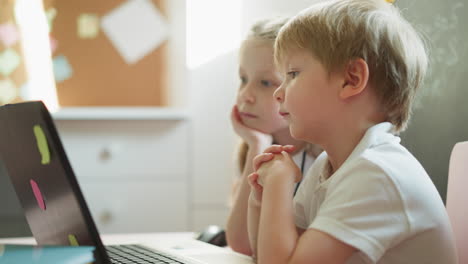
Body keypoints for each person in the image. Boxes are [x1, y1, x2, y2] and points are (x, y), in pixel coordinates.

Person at [246, 0, 458, 263]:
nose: (279, 93)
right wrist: (263, 199)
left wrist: (278, 181)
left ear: (351, 79)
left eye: (293, 73)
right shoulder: (330, 165)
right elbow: (265, 255)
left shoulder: (377, 173)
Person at [225, 17, 322, 255]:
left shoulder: (324, 160)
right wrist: (257, 144)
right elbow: (241, 244)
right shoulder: (256, 151)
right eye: (243, 79)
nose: (245, 95)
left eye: (266, 82)